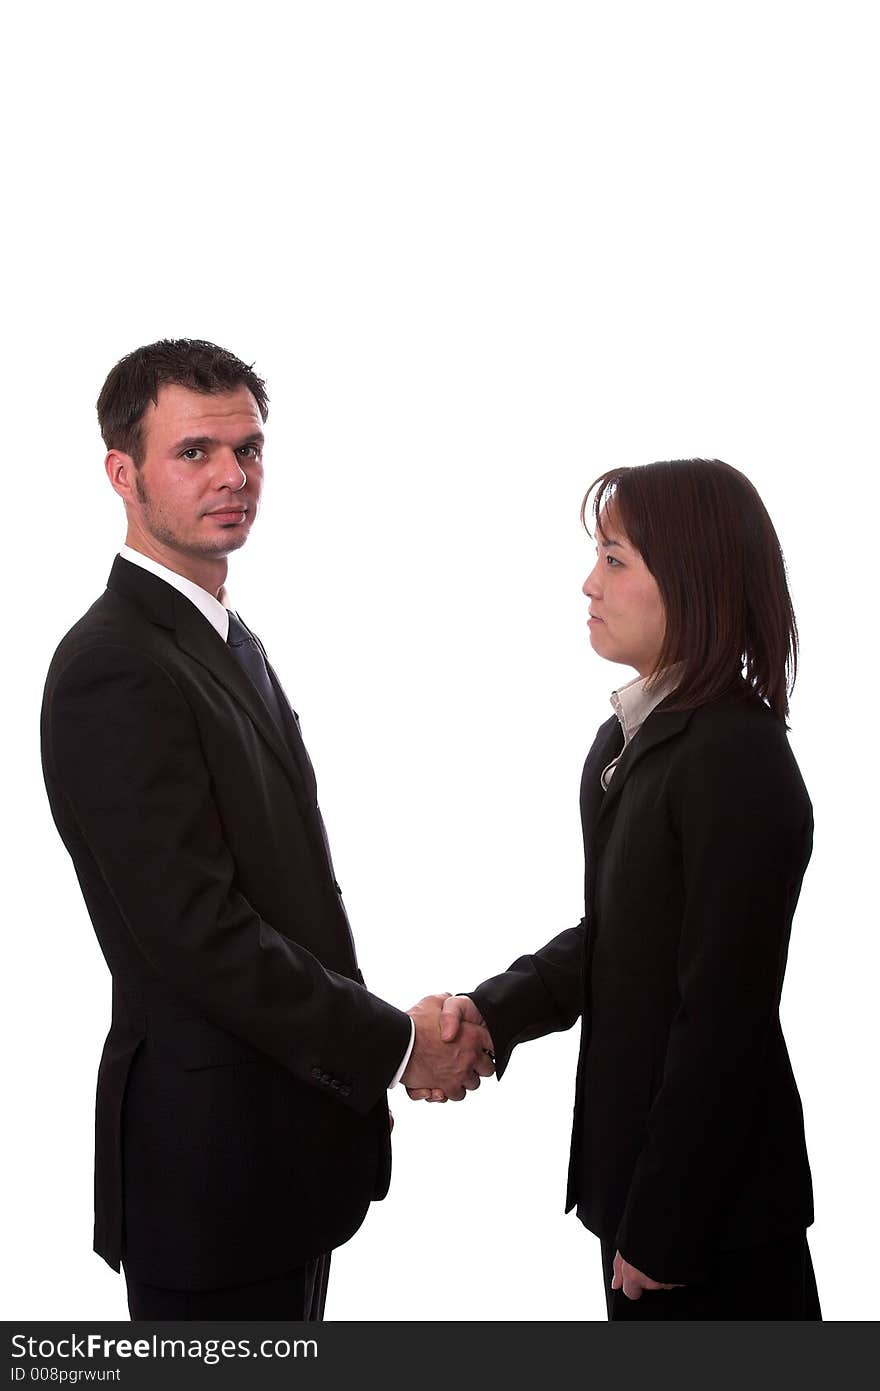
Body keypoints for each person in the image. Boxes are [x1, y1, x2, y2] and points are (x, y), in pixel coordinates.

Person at [40, 338, 494, 1321]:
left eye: (248, 449)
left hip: (281, 1158)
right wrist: (392, 1042)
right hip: (209, 1172)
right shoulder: (113, 665)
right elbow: (197, 931)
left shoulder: (224, 637)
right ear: (122, 472)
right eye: (194, 451)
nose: (233, 476)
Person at [411, 459, 821, 1320]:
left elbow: (724, 1014)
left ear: (693, 580)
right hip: (640, 1195)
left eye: (615, 558)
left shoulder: (735, 758)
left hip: (709, 1219)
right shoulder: (622, 740)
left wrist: (668, 1219)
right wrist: (495, 1008)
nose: (588, 582)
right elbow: (622, 935)